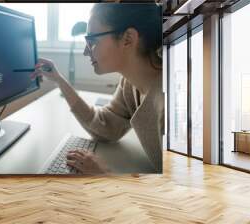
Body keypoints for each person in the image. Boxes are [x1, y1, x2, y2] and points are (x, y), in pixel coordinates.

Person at [31, 3, 164, 174]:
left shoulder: (169, 104)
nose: (86, 52)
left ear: (128, 39)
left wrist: (105, 175)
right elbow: (106, 127)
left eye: (92, 41)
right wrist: (59, 80)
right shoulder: (130, 84)